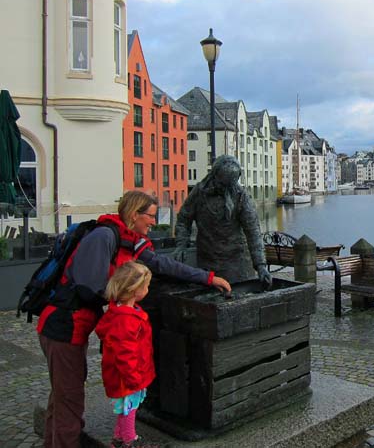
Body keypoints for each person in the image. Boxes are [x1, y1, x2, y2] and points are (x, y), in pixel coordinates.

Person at [36, 191, 231, 448]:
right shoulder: (104, 236)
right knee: (70, 399)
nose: (153, 222)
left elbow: (163, 265)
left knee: (62, 397)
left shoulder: (129, 242)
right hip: (62, 326)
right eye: (150, 216)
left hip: (76, 327)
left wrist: (207, 278)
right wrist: (128, 294)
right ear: (133, 214)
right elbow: (87, 286)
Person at [175, 155, 273, 286]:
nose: (225, 189)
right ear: (214, 175)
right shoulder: (199, 192)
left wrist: (260, 265)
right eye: (222, 184)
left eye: (229, 185)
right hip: (207, 260)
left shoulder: (241, 196)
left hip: (237, 263)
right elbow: (183, 219)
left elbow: (253, 231)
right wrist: (181, 245)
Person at [95, 262, 154, 448]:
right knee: (130, 408)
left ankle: (119, 439)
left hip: (128, 374)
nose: (148, 289)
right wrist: (134, 378)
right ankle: (130, 440)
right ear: (134, 290)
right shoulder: (126, 320)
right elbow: (125, 354)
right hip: (128, 377)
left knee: (124, 408)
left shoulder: (121, 312)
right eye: (146, 286)